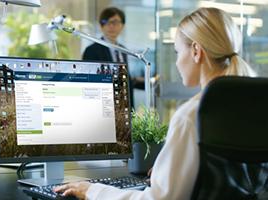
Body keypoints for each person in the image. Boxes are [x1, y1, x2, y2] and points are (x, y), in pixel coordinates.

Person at [54, 7, 256, 199]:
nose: (177, 62)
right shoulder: (252, 107)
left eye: (177, 52)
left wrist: (93, 191)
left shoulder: (192, 115)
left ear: (196, 51)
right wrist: (168, 171)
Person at [82, 7, 134, 107]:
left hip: (123, 104)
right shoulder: (91, 50)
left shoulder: (124, 50)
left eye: (115, 22)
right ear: (101, 26)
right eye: (107, 22)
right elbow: (88, 81)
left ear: (122, 25)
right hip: (102, 104)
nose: (111, 26)